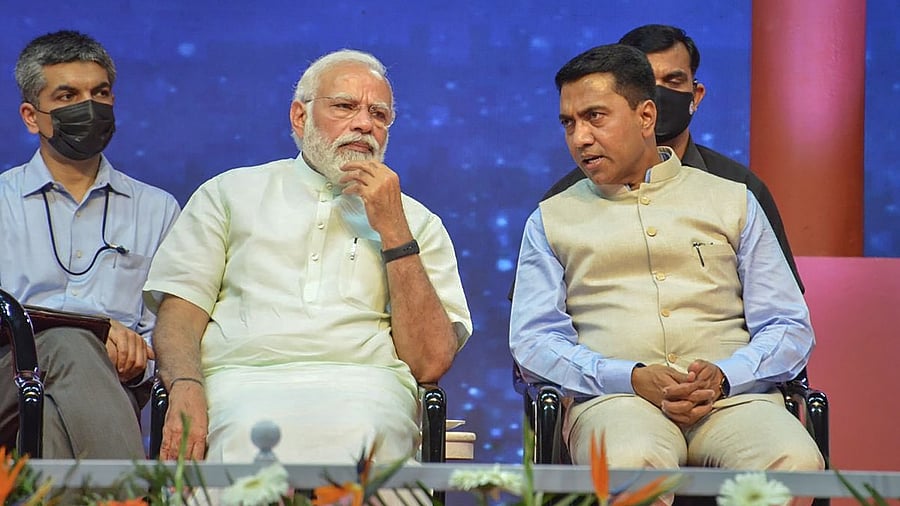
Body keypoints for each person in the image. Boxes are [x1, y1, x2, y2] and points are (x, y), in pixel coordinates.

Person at [145, 49, 472, 464]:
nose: (364, 124)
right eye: (345, 106)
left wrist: (393, 230)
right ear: (300, 117)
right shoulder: (227, 194)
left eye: (379, 114)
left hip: (368, 386)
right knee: (245, 437)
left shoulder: (417, 221)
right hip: (240, 380)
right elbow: (178, 317)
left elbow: (429, 364)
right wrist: (185, 385)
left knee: (367, 437)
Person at [509, 44, 823, 474]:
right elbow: (534, 342)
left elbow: (788, 325)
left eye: (595, 116)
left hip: (734, 399)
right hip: (614, 403)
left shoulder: (734, 199)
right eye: (569, 123)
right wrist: (629, 376)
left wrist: (726, 376)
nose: (580, 137)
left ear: (645, 117)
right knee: (628, 464)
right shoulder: (551, 217)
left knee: (796, 462)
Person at [0, 30, 180, 458]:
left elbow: (166, 332)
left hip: (111, 388)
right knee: (70, 344)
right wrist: (95, 331)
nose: (89, 107)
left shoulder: (157, 209)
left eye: (100, 93)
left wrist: (139, 357)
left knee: (50, 420)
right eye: (67, 96)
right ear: (31, 115)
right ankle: (130, 496)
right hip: (6, 377)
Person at [540, 24, 802, 291]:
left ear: (696, 96)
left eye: (673, 82)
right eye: (647, 83)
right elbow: (538, 323)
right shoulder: (561, 203)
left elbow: (780, 313)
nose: (658, 95)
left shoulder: (740, 191)